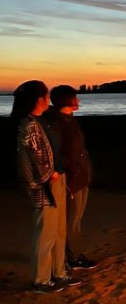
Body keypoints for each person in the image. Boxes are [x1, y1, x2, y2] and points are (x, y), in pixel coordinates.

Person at [10, 81, 81, 292]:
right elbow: (29, 158)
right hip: (45, 184)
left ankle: (59, 272)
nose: (49, 100)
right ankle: (41, 278)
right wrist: (47, 176)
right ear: (39, 99)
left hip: (57, 179)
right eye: (46, 96)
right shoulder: (28, 125)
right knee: (46, 232)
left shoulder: (43, 121)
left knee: (59, 229)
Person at [43, 85, 97, 270]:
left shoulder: (69, 120)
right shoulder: (56, 123)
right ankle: (71, 257)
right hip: (70, 178)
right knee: (71, 220)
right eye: (75, 98)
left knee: (76, 219)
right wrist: (67, 169)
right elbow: (57, 152)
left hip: (81, 175)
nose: (78, 101)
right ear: (67, 100)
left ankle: (73, 254)